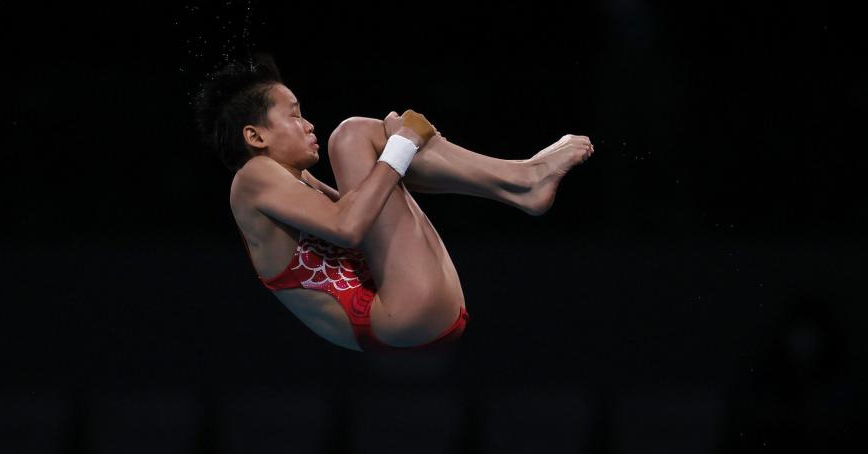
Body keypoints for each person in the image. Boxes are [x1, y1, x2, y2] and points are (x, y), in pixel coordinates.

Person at [194, 55, 594, 352]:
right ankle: (524, 179)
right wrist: (403, 142)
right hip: (392, 313)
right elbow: (349, 226)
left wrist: (398, 145)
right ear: (255, 136)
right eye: (294, 116)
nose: (308, 124)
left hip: (412, 310)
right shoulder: (253, 177)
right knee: (351, 136)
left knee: (373, 142)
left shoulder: (295, 181)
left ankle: (522, 182)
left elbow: (377, 201)